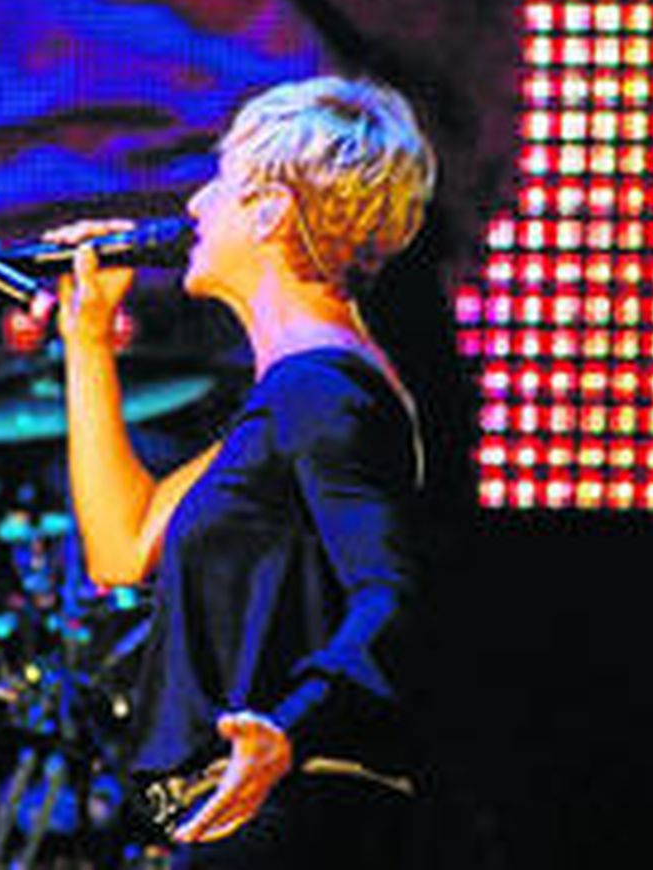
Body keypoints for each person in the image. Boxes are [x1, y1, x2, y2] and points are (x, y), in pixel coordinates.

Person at [53, 75, 434, 866]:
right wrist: (87, 342)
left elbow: (395, 593)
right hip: (240, 823)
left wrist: (288, 729)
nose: (195, 206)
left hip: (286, 826)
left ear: (269, 211)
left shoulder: (323, 393)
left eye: (221, 183)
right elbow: (121, 549)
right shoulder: (294, 396)